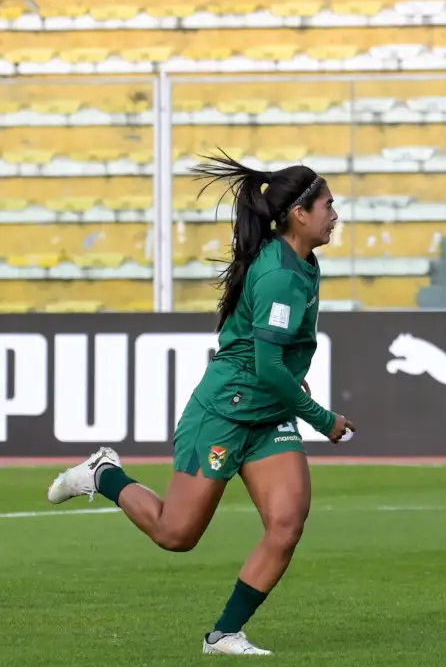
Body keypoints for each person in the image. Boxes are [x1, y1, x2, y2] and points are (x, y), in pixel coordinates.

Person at [45, 154, 355, 656]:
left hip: (267, 415)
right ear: (299, 214)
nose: (335, 215)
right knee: (176, 534)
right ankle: (104, 474)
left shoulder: (301, 262)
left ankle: (224, 635)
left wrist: (293, 378)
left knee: (285, 525)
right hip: (224, 414)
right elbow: (268, 366)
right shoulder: (279, 274)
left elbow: (273, 354)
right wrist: (323, 420)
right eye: (328, 205)